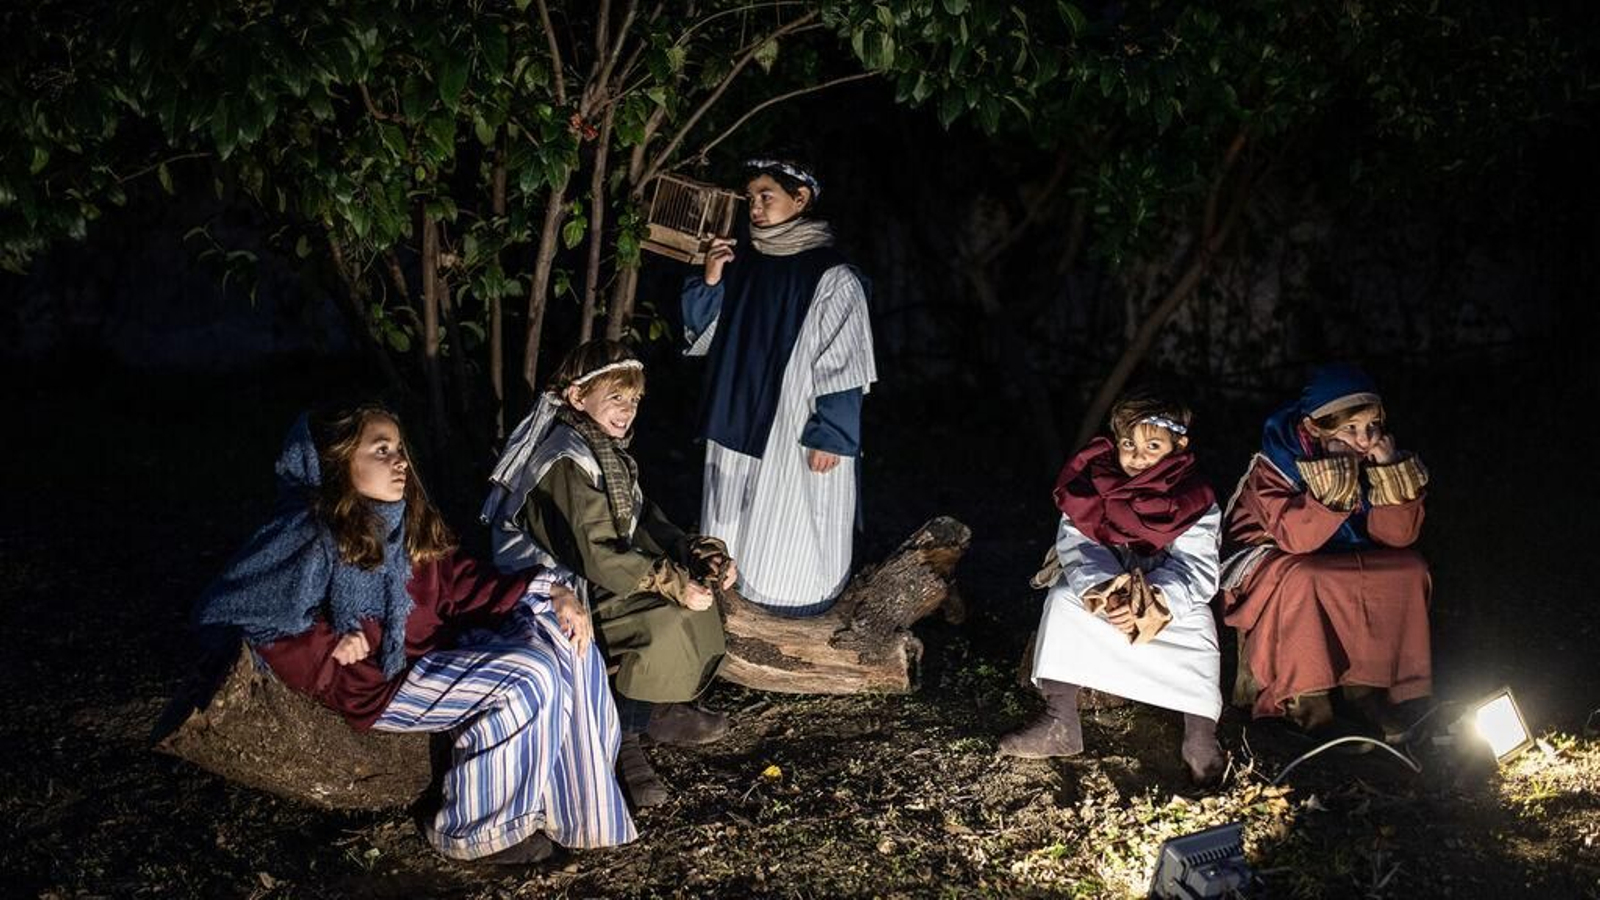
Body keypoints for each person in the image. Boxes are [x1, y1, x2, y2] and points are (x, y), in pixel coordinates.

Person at [194, 406, 633, 864]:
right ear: (340, 461)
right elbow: (247, 611)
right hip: (380, 682)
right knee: (529, 675)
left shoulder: (405, 520)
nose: (400, 461)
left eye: (400, 449)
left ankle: (577, 807)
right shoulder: (313, 530)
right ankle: (474, 829)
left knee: (561, 635)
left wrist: (548, 589)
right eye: (381, 450)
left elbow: (459, 582)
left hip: (432, 653)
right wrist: (329, 644)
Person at [483, 339, 734, 808]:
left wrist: (693, 552)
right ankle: (626, 739)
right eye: (616, 396)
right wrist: (673, 583)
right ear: (578, 397)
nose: (628, 409)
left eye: (634, 398)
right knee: (662, 619)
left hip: (589, 572)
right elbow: (596, 553)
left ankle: (656, 707)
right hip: (548, 585)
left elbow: (640, 518)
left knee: (693, 596)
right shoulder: (564, 459)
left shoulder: (599, 446)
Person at [680, 157, 877, 616]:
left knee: (793, 515)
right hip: (737, 408)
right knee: (731, 516)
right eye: (751, 198)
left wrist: (832, 432)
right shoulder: (743, 262)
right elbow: (703, 337)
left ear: (800, 199)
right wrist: (711, 280)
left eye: (766, 196)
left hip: (795, 417)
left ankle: (793, 611)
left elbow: (844, 354)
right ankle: (726, 606)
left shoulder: (832, 274)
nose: (755, 207)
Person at [999, 395, 1226, 786]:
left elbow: (1197, 569)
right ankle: (1060, 720)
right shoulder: (1092, 485)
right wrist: (1109, 592)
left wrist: (1147, 601)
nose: (1137, 456)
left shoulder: (1194, 499)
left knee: (1200, 628)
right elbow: (1079, 544)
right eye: (1128, 444)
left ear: (1178, 446)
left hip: (1161, 600)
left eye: (1152, 446)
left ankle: (1200, 738)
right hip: (1108, 592)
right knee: (1063, 601)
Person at [1219, 364, 1431, 740]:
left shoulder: (1370, 457)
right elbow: (1298, 540)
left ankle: (1370, 691)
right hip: (1269, 559)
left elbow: (1398, 538)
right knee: (1307, 577)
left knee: (1409, 569)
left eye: (1372, 426)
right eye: (1350, 428)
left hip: (1341, 553)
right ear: (1314, 426)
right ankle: (1306, 700)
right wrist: (1335, 481)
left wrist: (1388, 472)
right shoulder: (1276, 465)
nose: (1364, 439)